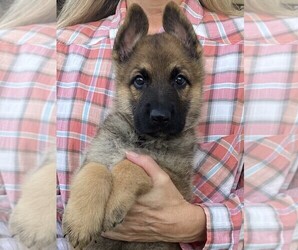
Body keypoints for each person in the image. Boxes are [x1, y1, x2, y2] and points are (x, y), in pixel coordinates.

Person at [57, 0, 244, 249]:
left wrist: (196, 223)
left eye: (179, 80)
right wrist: (92, 177)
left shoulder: (251, 41)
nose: (158, 109)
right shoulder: (59, 45)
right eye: (140, 81)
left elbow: (176, 186)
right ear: (121, 58)